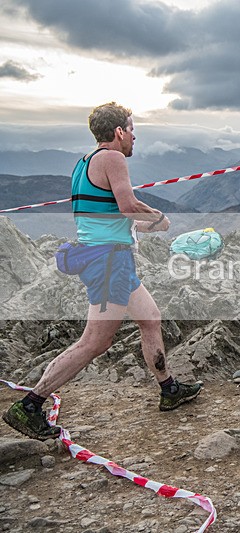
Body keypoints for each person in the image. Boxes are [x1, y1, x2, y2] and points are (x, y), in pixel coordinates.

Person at [2, 102, 202, 441]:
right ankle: (31, 404)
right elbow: (126, 205)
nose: (135, 136)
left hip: (106, 257)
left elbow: (105, 216)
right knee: (95, 342)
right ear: (119, 132)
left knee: (150, 318)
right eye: (132, 128)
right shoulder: (113, 158)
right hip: (110, 263)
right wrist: (157, 216)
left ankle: (169, 389)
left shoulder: (84, 162)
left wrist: (144, 227)